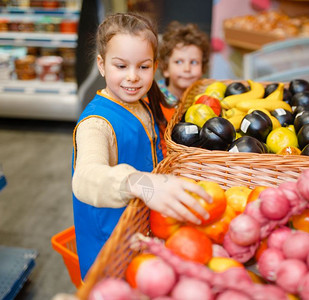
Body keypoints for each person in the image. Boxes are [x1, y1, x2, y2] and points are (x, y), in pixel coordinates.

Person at [71, 12, 212, 280]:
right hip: (112, 249)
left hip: (143, 236)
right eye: (121, 66)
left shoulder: (144, 104)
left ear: (156, 66)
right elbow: (85, 177)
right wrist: (140, 184)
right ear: (101, 65)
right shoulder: (96, 125)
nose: (133, 77)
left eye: (143, 67)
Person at [158, 21, 211, 122]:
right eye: (178, 62)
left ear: (202, 68)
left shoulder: (207, 100)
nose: (187, 68)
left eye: (194, 62)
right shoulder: (154, 103)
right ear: (165, 68)